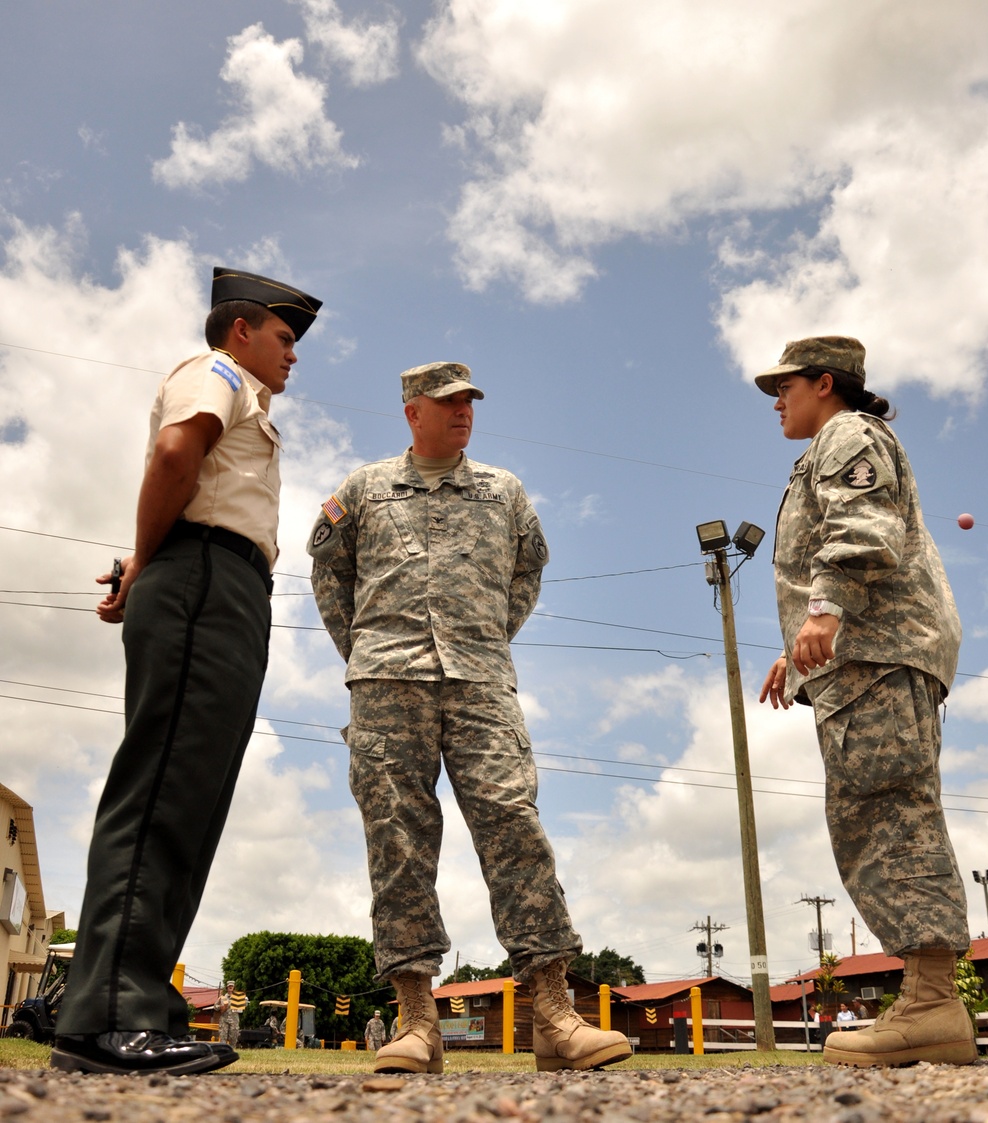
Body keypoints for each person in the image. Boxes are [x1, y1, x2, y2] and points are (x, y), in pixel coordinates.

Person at [308, 362, 632, 1075]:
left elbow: (529, 571)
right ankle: (416, 1022)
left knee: (514, 823)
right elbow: (329, 577)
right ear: (412, 411)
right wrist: (366, 647)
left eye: (469, 403)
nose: (463, 413)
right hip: (386, 683)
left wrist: (485, 635)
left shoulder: (503, 491)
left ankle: (553, 1013)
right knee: (396, 837)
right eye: (448, 403)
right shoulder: (363, 490)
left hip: (481, 680)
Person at [52, 268, 322, 1076]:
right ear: (240, 331)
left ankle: (140, 1008)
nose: (293, 357)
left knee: (191, 804)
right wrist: (145, 564)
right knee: (164, 789)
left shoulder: (244, 392)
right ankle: (107, 1018)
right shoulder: (214, 373)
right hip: (202, 574)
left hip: (229, 585)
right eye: (284, 338)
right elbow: (176, 453)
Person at [756, 336, 975, 1068]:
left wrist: (825, 610)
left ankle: (934, 1000)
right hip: (868, 653)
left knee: (888, 810)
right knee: (873, 810)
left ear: (826, 382)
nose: (776, 400)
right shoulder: (828, 443)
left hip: (879, 653)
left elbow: (863, 528)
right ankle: (929, 994)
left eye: (785, 385)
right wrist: (799, 646)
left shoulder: (847, 433)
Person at [215, 981, 242, 1047]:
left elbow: (242, 1009)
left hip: (234, 1020)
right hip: (224, 1020)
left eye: (232, 986)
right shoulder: (222, 998)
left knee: (234, 1037)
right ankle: (223, 1051)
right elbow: (215, 1006)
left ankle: (232, 1051)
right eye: (229, 986)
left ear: (234, 988)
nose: (230, 987)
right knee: (223, 1036)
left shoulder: (238, 998)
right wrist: (220, 1007)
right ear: (227, 988)